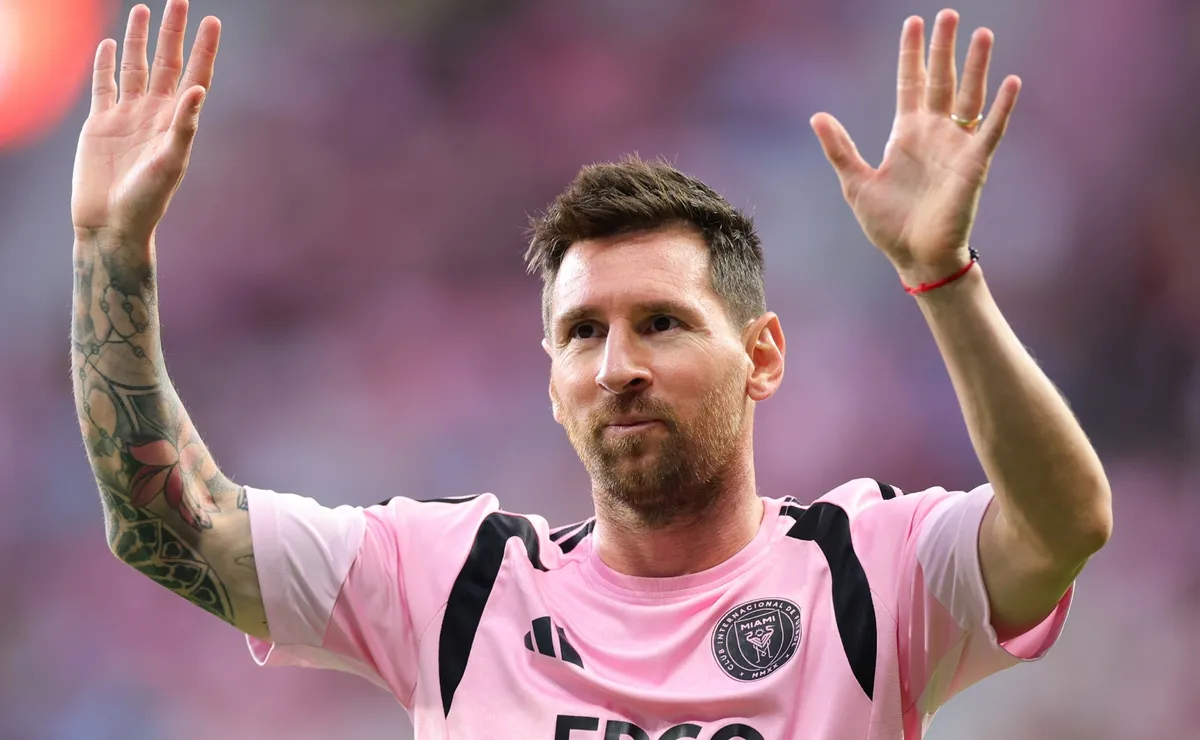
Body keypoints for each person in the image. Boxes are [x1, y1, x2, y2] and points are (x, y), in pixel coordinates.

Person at [70, 1, 1112, 738]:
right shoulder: (457, 581)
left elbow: (1065, 523)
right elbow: (168, 524)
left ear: (761, 356)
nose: (617, 366)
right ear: (550, 376)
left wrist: (944, 277)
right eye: (581, 333)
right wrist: (110, 250)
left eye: (661, 323)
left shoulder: (865, 571)